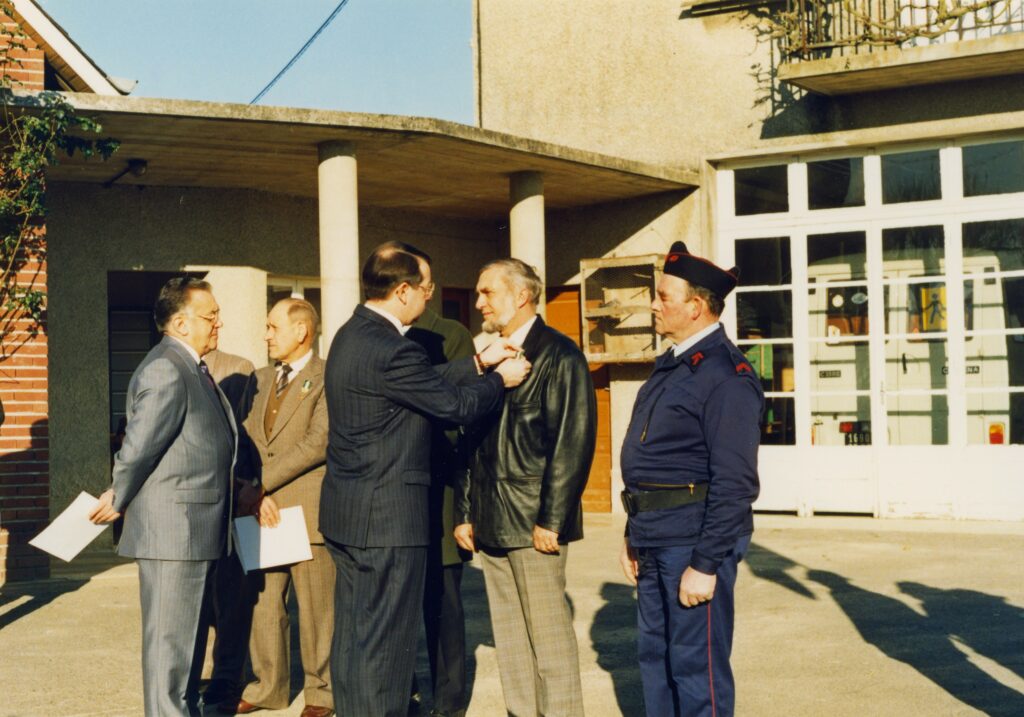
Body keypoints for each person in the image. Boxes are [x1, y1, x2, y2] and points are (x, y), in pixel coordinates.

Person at [320, 242, 530, 717]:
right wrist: (501, 379)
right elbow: (454, 405)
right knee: (388, 650)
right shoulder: (394, 349)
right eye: (426, 288)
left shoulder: (352, 334)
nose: (429, 298)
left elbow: (419, 379)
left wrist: (476, 362)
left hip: (349, 516)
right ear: (402, 290)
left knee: (354, 641)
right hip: (389, 521)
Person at [618, 241, 763, 717]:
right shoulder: (675, 363)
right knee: (655, 660)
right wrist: (632, 533)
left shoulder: (725, 375)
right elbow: (655, 463)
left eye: (663, 296)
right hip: (656, 536)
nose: (654, 305)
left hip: (693, 541)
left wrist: (705, 562)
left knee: (695, 668)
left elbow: (735, 484)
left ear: (696, 306)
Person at [455, 258, 597, 717]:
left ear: (521, 296)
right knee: (511, 640)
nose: (479, 303)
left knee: (549, 642)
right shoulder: (489, 357)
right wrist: (466, 513)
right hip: (492, 520)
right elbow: (473, 442)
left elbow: (572, 444)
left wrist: (551, 520)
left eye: (487, 293)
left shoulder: (561, 355)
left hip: (535, 523)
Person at [89, 277, 237, 717]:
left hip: (194, 529)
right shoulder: (166, 368)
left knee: (186, 648)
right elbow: (138, 447)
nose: (218, 323)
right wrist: (119, 494)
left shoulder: (189, 365)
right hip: (176, 532)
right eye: (210, 316)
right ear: (180, 322)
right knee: (169, 651)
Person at [223, 298, 334, 717]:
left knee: (317, 608)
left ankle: (322, 693)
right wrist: (252, 491)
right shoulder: (260, 378)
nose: (266, 334)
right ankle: (267, 686)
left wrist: (260, 487)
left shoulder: (326, 378)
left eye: (273, 327)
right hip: (260, 508)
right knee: (265, 605)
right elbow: (244, 443)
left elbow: (317, 443)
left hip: (306, 509)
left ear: (302, 331)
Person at [406, 280, 476, 717]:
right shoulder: (382, 337)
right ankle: (406, 693)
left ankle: (448, 703)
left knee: (443, 605)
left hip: (439, 487)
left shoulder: (451, 335)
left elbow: (461, 412)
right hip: (396, 492)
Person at [200, 348, 257, 710]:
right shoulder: (170, 364)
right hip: (194, 499)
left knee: (230, 595)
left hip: (232, 491)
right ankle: (202, 670)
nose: (217, 324)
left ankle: (227, 674)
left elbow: (245, 433)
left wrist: (245, 483)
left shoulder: (239, 369)